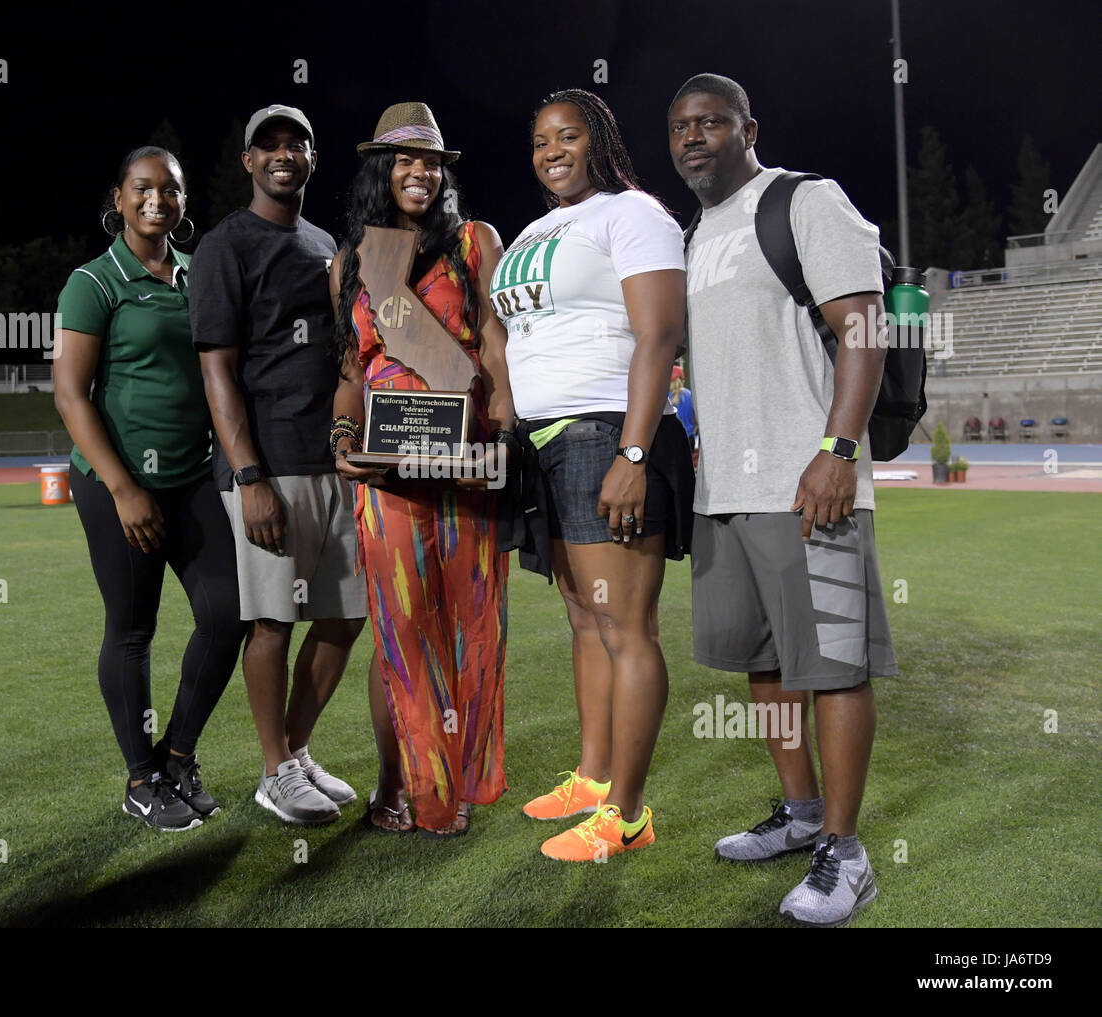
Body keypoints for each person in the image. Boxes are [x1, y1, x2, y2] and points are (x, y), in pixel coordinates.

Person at [669, 73, 898, 926]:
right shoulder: (697, 235)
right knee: (766, 662)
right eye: (682, 126)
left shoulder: (805, 200)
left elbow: (863, 328)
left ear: (747, 128)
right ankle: (800, 815)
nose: (695, 137)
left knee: (833, 663)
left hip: (812, 480)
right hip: (725, 488)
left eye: (712, 122)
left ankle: (847, 851)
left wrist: (838, 450)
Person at [492, 89, 692, 861]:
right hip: (544, 443)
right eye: (541, 140)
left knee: (625, 626)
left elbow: (660, 334)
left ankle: (631, 816)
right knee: (583, 621)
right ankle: (595, 775)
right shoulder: (536, 228)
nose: (552, 151)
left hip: (605, 430)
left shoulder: (632, 213)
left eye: (568, 136)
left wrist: (634, 453)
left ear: (598, 138)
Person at [331, 102, 515, 838]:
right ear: (382, 169)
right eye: (405, 161)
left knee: (474, 624)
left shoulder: (474, 241)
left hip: (464, 460)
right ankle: (418, 783)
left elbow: (495, 344)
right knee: (401, 629)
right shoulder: (353, 260)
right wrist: (343, 427)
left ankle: (463, 779)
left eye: (432, 162)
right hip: (385, 475)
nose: (420, 173)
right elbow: (352, 366)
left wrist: (502, 425)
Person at [54, 146, 244, 831]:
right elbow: (71, 395)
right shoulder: (94, 281)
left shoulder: (198, 276)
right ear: (119, 196)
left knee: (229, 611)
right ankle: (141, 778)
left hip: (190, 477)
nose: (156, 199)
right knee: (133, 630)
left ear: (184, 201)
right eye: (143, 188)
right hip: (119, 483)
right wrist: (123, 488)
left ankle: (179, 755)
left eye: (170, 188)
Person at [190, 105, 368, 826]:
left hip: (333, 460)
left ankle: (295, 752)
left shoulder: (328, 243)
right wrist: (249, 475)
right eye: (269, 145)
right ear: (248, 161)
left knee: (345, 616)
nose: (284, 153)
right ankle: (272, 770)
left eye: (297, 143)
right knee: (271, 621)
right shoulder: (225, 246)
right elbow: (217, 372)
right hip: (270, 465)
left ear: (313, 159)